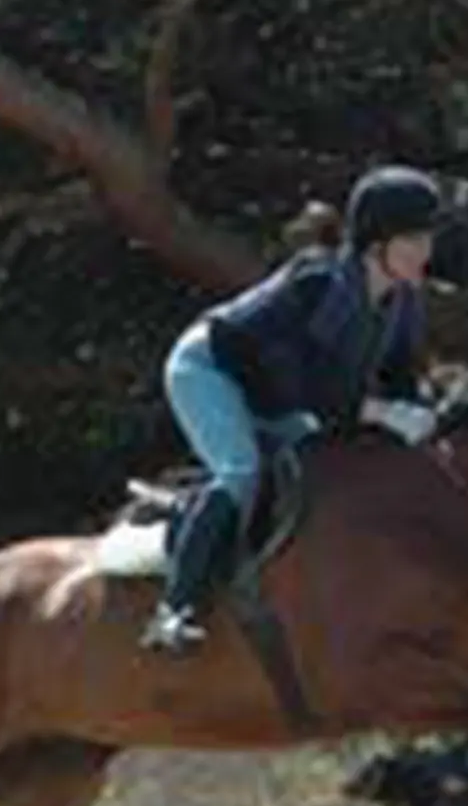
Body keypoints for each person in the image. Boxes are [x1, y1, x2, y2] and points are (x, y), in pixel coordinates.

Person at [140, 163, 447, 655]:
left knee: (327, 475)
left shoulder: (402, 303)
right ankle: (174, 609)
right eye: (415, 239)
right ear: (377, 244)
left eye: (428, 237)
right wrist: (379, 413)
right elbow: (299, 381)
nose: (427, 251)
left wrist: (427, 418)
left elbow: (400, 379)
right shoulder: (316, 282)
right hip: (211, 371)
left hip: (278, 395)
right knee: (242, 471)